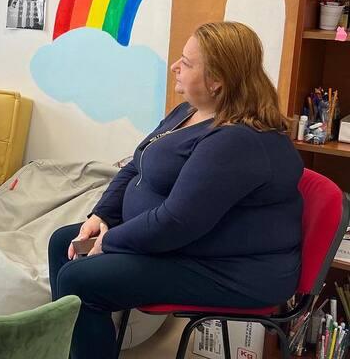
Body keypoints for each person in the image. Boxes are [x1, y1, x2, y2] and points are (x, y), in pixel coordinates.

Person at [48, 22, 303, 359]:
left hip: (229, 269)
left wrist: (110, 240)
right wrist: (103, 215)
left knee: (80, 280)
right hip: (184, 245)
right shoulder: (189, 111)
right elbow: (136, 163)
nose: (174, 67)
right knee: (62, 242)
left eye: (186, 62)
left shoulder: (237, 141)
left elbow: (176, 223)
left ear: (216, 81)